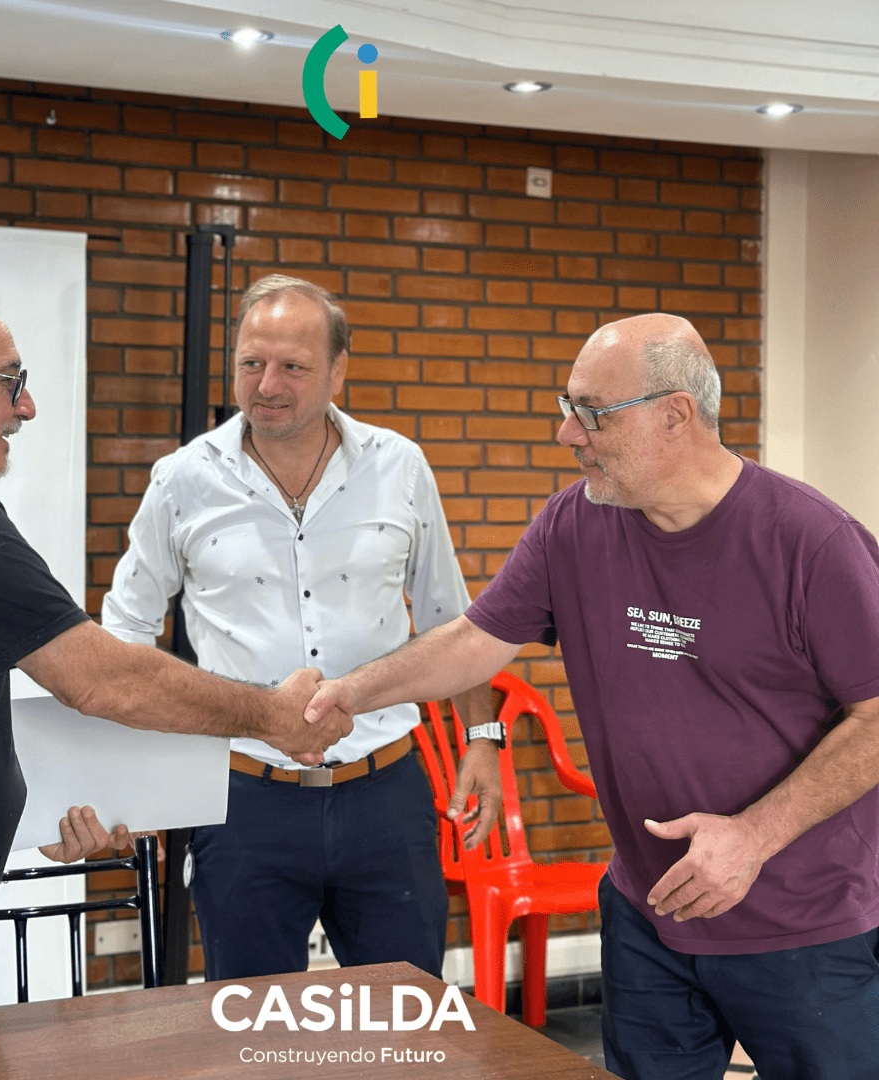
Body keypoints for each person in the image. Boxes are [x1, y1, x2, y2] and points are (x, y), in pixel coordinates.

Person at [305, 313, 879, 1080]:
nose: (567, 434)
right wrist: (348, 692)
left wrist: (753, 835)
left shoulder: (812, 541)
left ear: (675, 414)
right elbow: (475, 641)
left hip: (804, 921)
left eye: (591, 412)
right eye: (567, 406)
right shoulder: (574, 524)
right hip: (647, 912)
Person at [0, 276, 351, 1028]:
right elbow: (99, 679)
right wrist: (275, 717)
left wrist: (78, 799)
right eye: (9, 380)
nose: (25, 406)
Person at [103, 274, 502, 982]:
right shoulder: (182, 480)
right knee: (256, 1027)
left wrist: (482, 738)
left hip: (385, 795)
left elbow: (452, 619)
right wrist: (139, 777)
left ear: (338, 371)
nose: (268, 385)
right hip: (241, 801)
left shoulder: (400, 468)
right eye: (252, 363)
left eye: (293, 365)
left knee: (405, 1025)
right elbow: (127, 626)